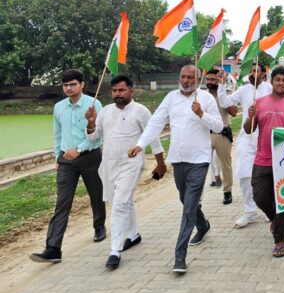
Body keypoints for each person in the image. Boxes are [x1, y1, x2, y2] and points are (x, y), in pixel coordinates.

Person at [128, 65, 223, 274]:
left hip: (199, 160)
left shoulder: (205, 99)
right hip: (178, 159)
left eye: (190, 77)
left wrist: (201, 114)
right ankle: (203, 225)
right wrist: (140, 144)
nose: (186, 80)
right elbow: (155, 123)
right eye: (183, 76)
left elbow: (218, 126)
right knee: (185, 200)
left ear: (198, 80)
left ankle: (179, 256)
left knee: (188, 206)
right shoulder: (171, 97)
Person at [84, 75, 165, 269]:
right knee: (121, 201)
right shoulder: (104, 111)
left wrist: (160, 163)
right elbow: (94, 137)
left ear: (131, 91)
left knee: (119, 204)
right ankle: (134, 235)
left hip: (131, 163)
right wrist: (91, 122)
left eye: (122, 90)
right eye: (114, 91)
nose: (117, 94)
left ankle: (114, 250)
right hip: (108, 164)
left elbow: (153, 137)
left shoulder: (141, 111)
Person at [30, 69, 106, 264]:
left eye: (72, 84)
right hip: (66, 161)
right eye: (65, 85)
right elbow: (58, 133)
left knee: (96, 195)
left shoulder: (93, 104)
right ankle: (53, 248)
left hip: (90, 156)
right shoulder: (58, 107)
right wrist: (58, 156)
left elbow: (98, 135)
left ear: (82, 84)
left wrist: (79, 150)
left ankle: (99, 226)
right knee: (62, 202)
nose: (69, 88)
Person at [246, 66, 284, 258]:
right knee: (259, 196)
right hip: (262, 158)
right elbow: (249, 130)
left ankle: (280, 238)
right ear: (271, 81)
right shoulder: (259, 102)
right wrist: (250, 115)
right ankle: (274, 218)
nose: (281, 83)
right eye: (278, 79)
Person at [217, 62, 272, 228]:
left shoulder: (269, 89)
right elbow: (225, 102)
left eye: (257, 71)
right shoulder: (244, 89)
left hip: (265, 137)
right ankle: (250, 211)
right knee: (244, 174)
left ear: (263, 74)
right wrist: (221, 83)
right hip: (246, 138)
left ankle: (267, 209)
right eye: (251, 71)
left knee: (266, 175)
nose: (253, 73)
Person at [205, 68, 236, 205]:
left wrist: (224, 99)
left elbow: (234, 112)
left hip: (222, 133)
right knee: (200, 165)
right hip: (205, 134)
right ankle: (198, 197)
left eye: (213, 79)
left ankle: (227, 192)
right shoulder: (201, 96)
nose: (210, 82)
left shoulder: (224, 94)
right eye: (208, 79)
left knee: (225, 164)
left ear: (218, 80)